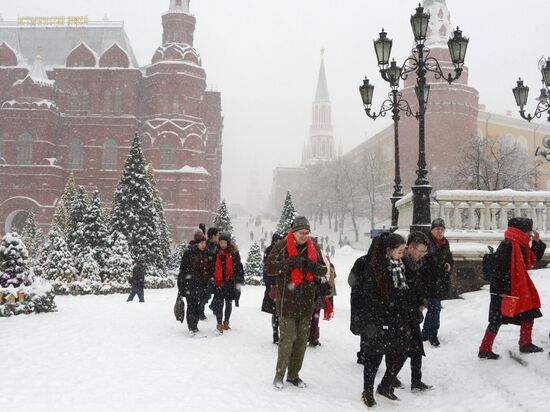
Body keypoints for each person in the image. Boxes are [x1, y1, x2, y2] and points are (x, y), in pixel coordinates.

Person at [265, 216, 329, 390]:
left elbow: (324, 270)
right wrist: (287, 264)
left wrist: (312, 266)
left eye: (307, 233)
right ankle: (279, 375)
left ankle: (294, 375)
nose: (304, 236)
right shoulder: (282, 246)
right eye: (301, 233)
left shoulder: (314, 248)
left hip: (307, 302)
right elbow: (269, 267)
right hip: (287, 301)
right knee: (287, 339)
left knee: (301, 341)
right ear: (294, 232)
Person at [351, 232, 413, 407]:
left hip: (397, 319)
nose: (402, 255)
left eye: (404, 251)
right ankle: (367, 392)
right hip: (377, 321)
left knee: (400, 352)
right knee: (374, 357)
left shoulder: (400, 266)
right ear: (388, 250)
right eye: (400, 251)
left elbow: (405, 291)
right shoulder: (374, 268)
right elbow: (369, 297)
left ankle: (385, 386)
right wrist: (384, 315)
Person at [478, 217, 546, 359]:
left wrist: (537, 243)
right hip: (503, 290)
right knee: (496, 319)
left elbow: (531, 260)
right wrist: (503, 292)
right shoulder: (508, 245)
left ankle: (525, 343)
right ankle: (484, 349)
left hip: (518, 288)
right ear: (521, 231)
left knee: (529, 311)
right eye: (529, 232)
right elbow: (499, 270)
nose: (530, 235)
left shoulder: (520, 244)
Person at [398, 231, 433, 392]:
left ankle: (416, 380)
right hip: (403, 314)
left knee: (416, 348)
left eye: (424, 252)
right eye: (420, 251)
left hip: (412, 312)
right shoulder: (401, 263)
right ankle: (389, 380)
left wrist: (421, 301)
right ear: (410, 247)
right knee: (402, 350)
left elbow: (418, 287)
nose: (422, 255)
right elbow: (402, 291)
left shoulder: (416, 264)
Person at [421, 218, 454, 347]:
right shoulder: (426, 242)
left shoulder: (445, 243)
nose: (440, 232)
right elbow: (424, 260)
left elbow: (449, 257)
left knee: (433, 308)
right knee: (435, 308)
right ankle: (432, 334)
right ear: (432, 230)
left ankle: (425, 332)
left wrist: (449, 264)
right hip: (429, 280)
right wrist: (437, 264)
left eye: (442, 229)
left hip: (440, 280)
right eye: (437, 229)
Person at [212, 232, 244, 334]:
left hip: (230, 282)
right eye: (221, 242)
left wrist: (239, 279)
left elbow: (239, 267)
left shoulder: (234, 253)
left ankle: (226, 322)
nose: (222, 244)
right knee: (219, 303)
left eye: (224, 242)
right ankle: (219, 323)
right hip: (219, 282)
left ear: (228, 243)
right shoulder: (215, 253)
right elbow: (211, 267)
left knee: (229, 303)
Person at [178, 230, 209, 336]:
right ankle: (191, 327)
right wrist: (181, 286)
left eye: (205, 243)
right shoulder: (189, 253)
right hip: (189, 285)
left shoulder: (204, 253)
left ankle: (195, 325)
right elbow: (182, 270)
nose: (204, 245)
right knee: (191, 306)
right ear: (197, 243)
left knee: (197, 306)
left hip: (200, 285)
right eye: (202, 243)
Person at [262, 233, 283, 344]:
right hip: (274, 285)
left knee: (279, 312)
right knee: (276, 312)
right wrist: (270, 284)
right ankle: (276, 335)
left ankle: (279, 334)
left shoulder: (281, 250)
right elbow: (267, 269)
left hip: (280, 285)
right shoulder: (271, 251)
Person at [201, 227, 219, 320]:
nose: (218, 236)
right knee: (206, 294)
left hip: (215, 274)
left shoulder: (217, 245)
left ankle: (214, 306)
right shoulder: (206, 246)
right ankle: (201, 310)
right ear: (213, 236)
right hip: (207, 274)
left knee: (218, 292)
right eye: (217, 235)